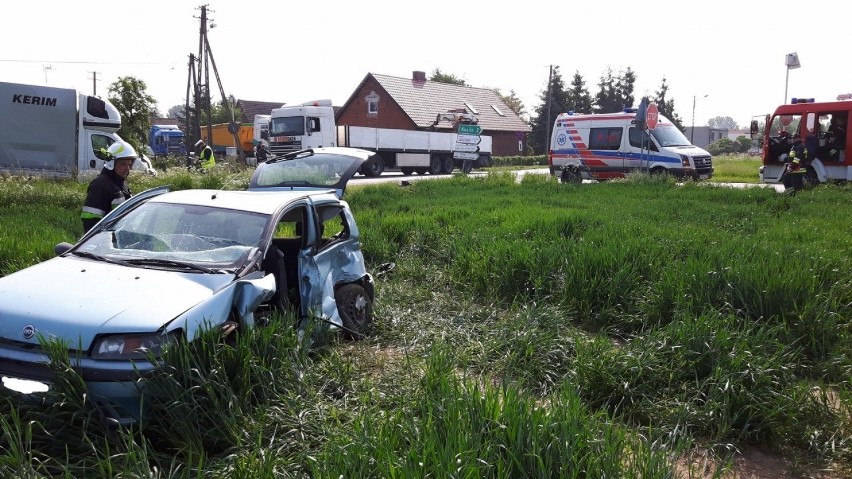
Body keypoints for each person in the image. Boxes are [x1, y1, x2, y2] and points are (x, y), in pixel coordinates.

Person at [80, 141, 135, 233]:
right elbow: (91, 222)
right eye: (123, 164)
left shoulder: (120, 183)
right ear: (111, 163)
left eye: (129, 164)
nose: (127, 169)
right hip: (106, 241)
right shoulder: (100, 185)